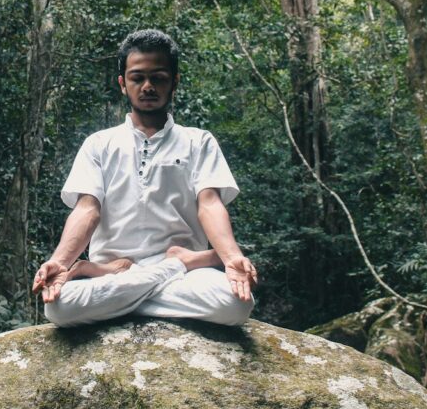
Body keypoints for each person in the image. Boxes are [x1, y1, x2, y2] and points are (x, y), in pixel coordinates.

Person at [31, 29, 258, 327]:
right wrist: (60, 262)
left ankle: (149, 282)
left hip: (185, 272)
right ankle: (162, 275)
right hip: (115, 268)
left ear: (173, 82)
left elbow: (210, 205)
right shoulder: (99, 143)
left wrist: (230, 259)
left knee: (235, 305)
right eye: (138, 78)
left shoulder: (198, 141)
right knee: (59, 307)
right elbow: (87, 209)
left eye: (158, 78)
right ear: (123, 84)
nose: (148, 86)